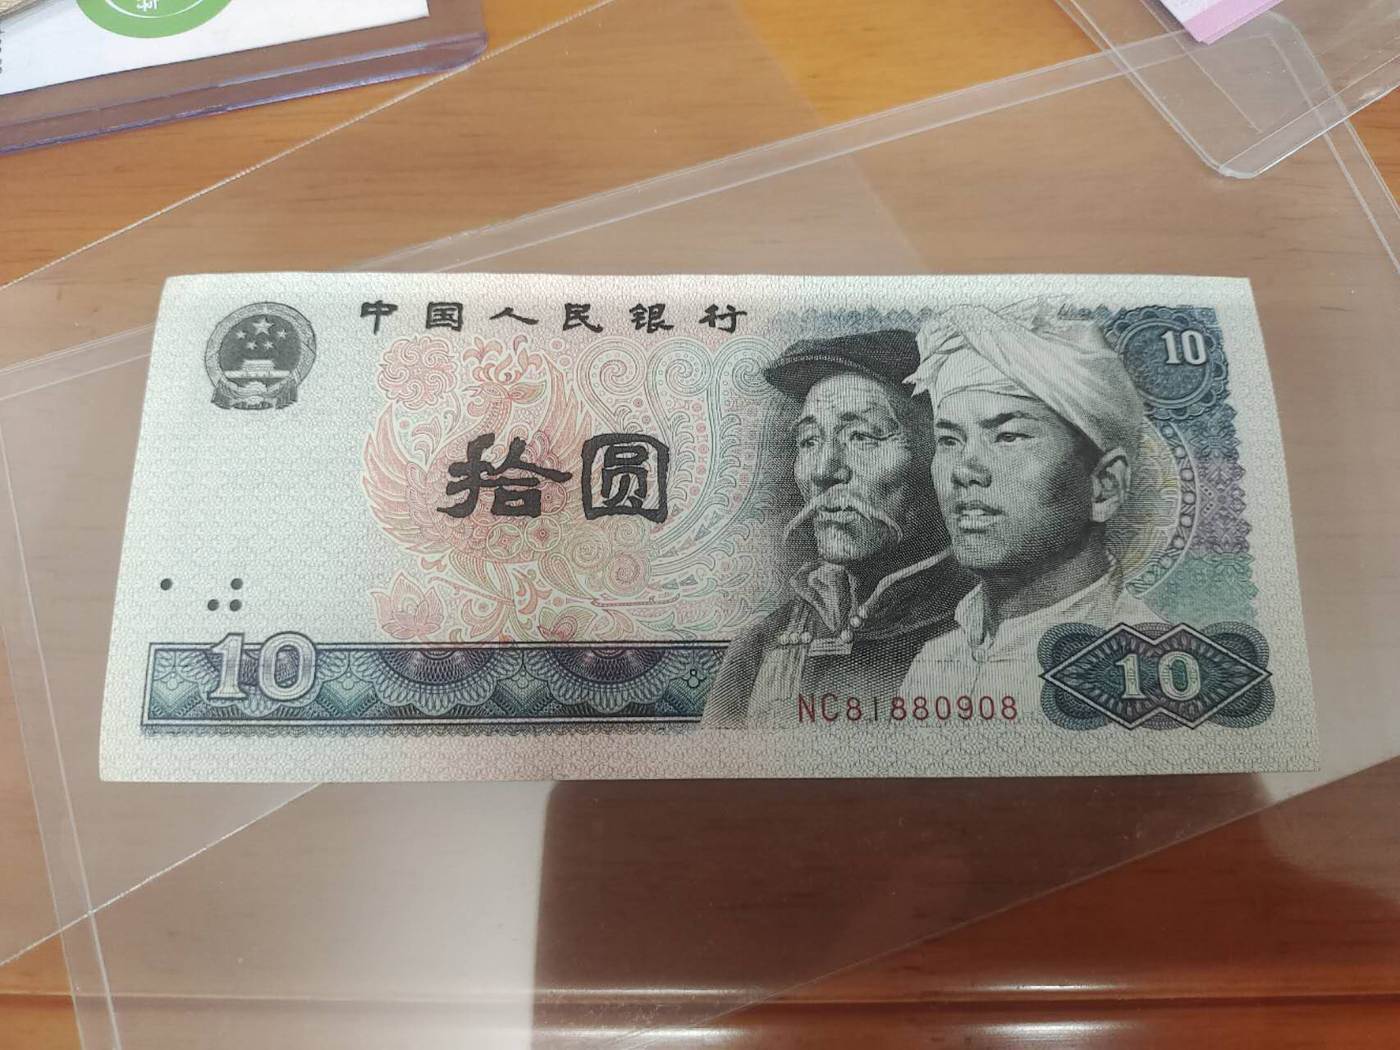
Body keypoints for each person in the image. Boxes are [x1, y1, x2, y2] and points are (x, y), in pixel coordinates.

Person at [705, 329, 971, 728]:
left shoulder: (989, 625)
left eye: (861, 436)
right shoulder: (763, 645)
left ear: (940, 451)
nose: (824, 471)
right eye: (809, 440)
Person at [899, 300, 1157, 703]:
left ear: (1104, 485)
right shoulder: (934, 662)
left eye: (1009, 437)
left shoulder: (1145, 665)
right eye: (949, 440)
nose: (964, 470)